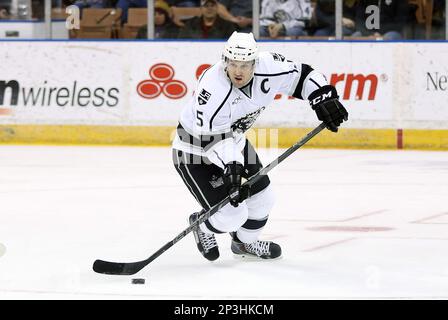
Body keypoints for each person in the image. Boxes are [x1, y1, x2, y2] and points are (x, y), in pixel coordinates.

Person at [172, 32, 348, 261]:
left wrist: (323, 97)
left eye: (245, 65)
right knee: (231, 216)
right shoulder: (212, 88)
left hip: (232, 142)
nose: (238, 71)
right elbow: (212, 138)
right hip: (195, 150)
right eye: (233, 64)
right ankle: (201, 225)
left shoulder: (269, 66)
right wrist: (234, 168)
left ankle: (244, 244)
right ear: (225, 61)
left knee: (264, 199)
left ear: (255, 62)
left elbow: (303, 76)